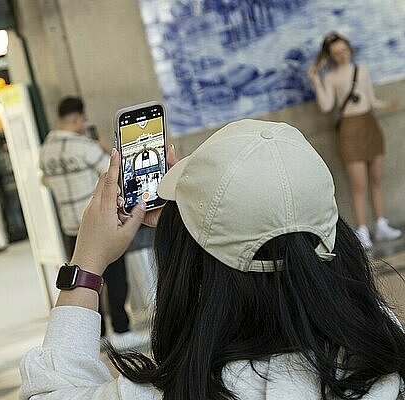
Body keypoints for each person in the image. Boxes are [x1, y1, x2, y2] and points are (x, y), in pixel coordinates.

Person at [20, 119, 405, 399]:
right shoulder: (386, 359)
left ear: (193, 269)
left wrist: (86, 263)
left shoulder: (172, 393)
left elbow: (47, 393)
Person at [39, 96, 145, 349]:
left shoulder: (46, 151)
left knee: (86, 280)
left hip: (71, 226)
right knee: (116, 277)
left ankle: (97, 336)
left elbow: (44, 181)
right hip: (98, 222)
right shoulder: (84, 147)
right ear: (77, 119)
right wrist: (104, 148)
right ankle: (121, 329)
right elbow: (115, 174)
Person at [308, 31, 401, 249]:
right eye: (336, 53)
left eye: (344, 50)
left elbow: (370, 99)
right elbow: (326, 106)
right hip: (349, 129)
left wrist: (387, 105)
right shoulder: (330, 77)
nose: (342, 55)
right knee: (359, 184)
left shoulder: (362, 70)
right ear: (330, 56)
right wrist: (316, 81)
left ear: (350, 49)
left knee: (376, 179)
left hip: (370, 124)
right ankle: (362, 230)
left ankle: (381, 223)